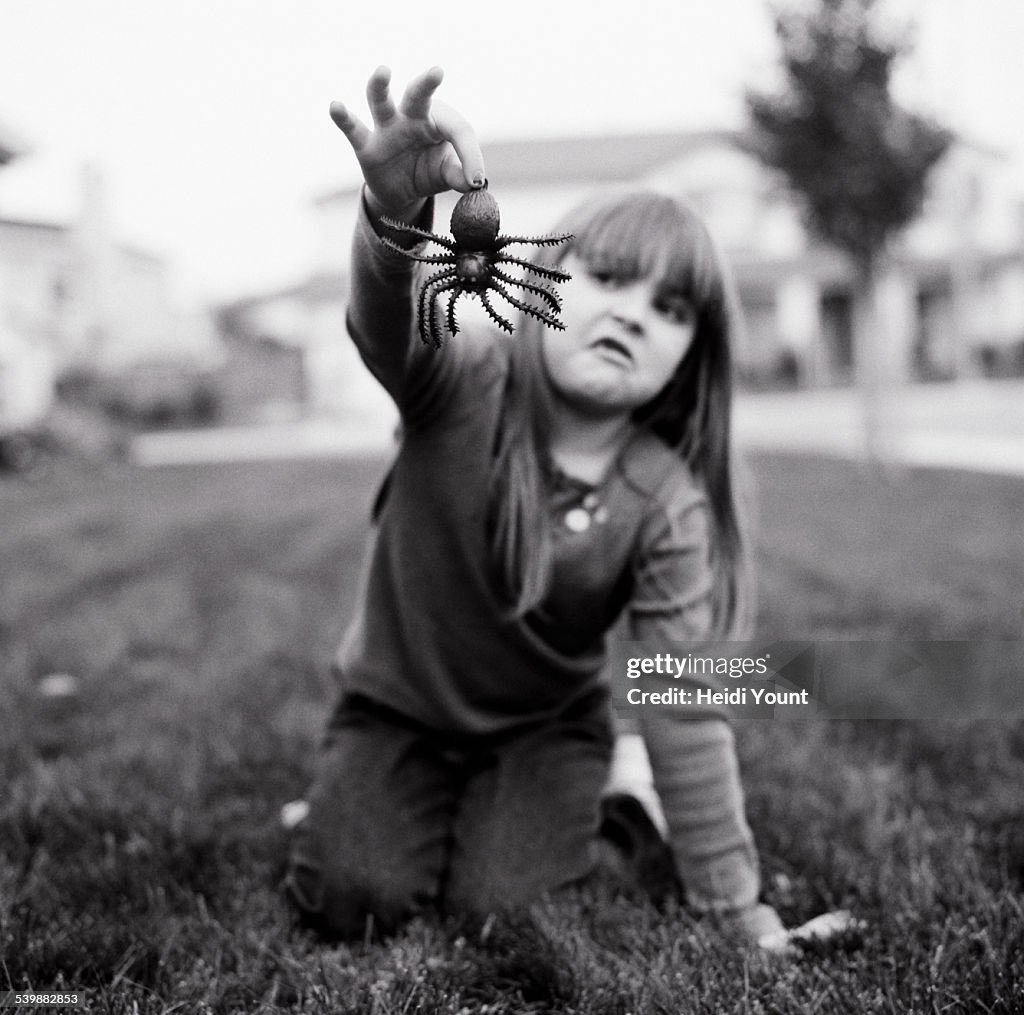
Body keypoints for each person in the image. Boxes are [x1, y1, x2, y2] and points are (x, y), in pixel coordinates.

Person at [285, 65, 787, 949]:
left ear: (690, 358)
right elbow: (383, 325)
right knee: (353, 899)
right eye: (610, 280)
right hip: (396, 706)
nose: (634, 315)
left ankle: (618, 802)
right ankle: (357, 796)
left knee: (505, 913)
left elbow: (682, 698)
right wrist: (396, 221)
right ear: (542, 280)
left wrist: (734, 905)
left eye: (670, 309)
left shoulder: (665, 499)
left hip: (543, 730)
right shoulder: (462, 375)